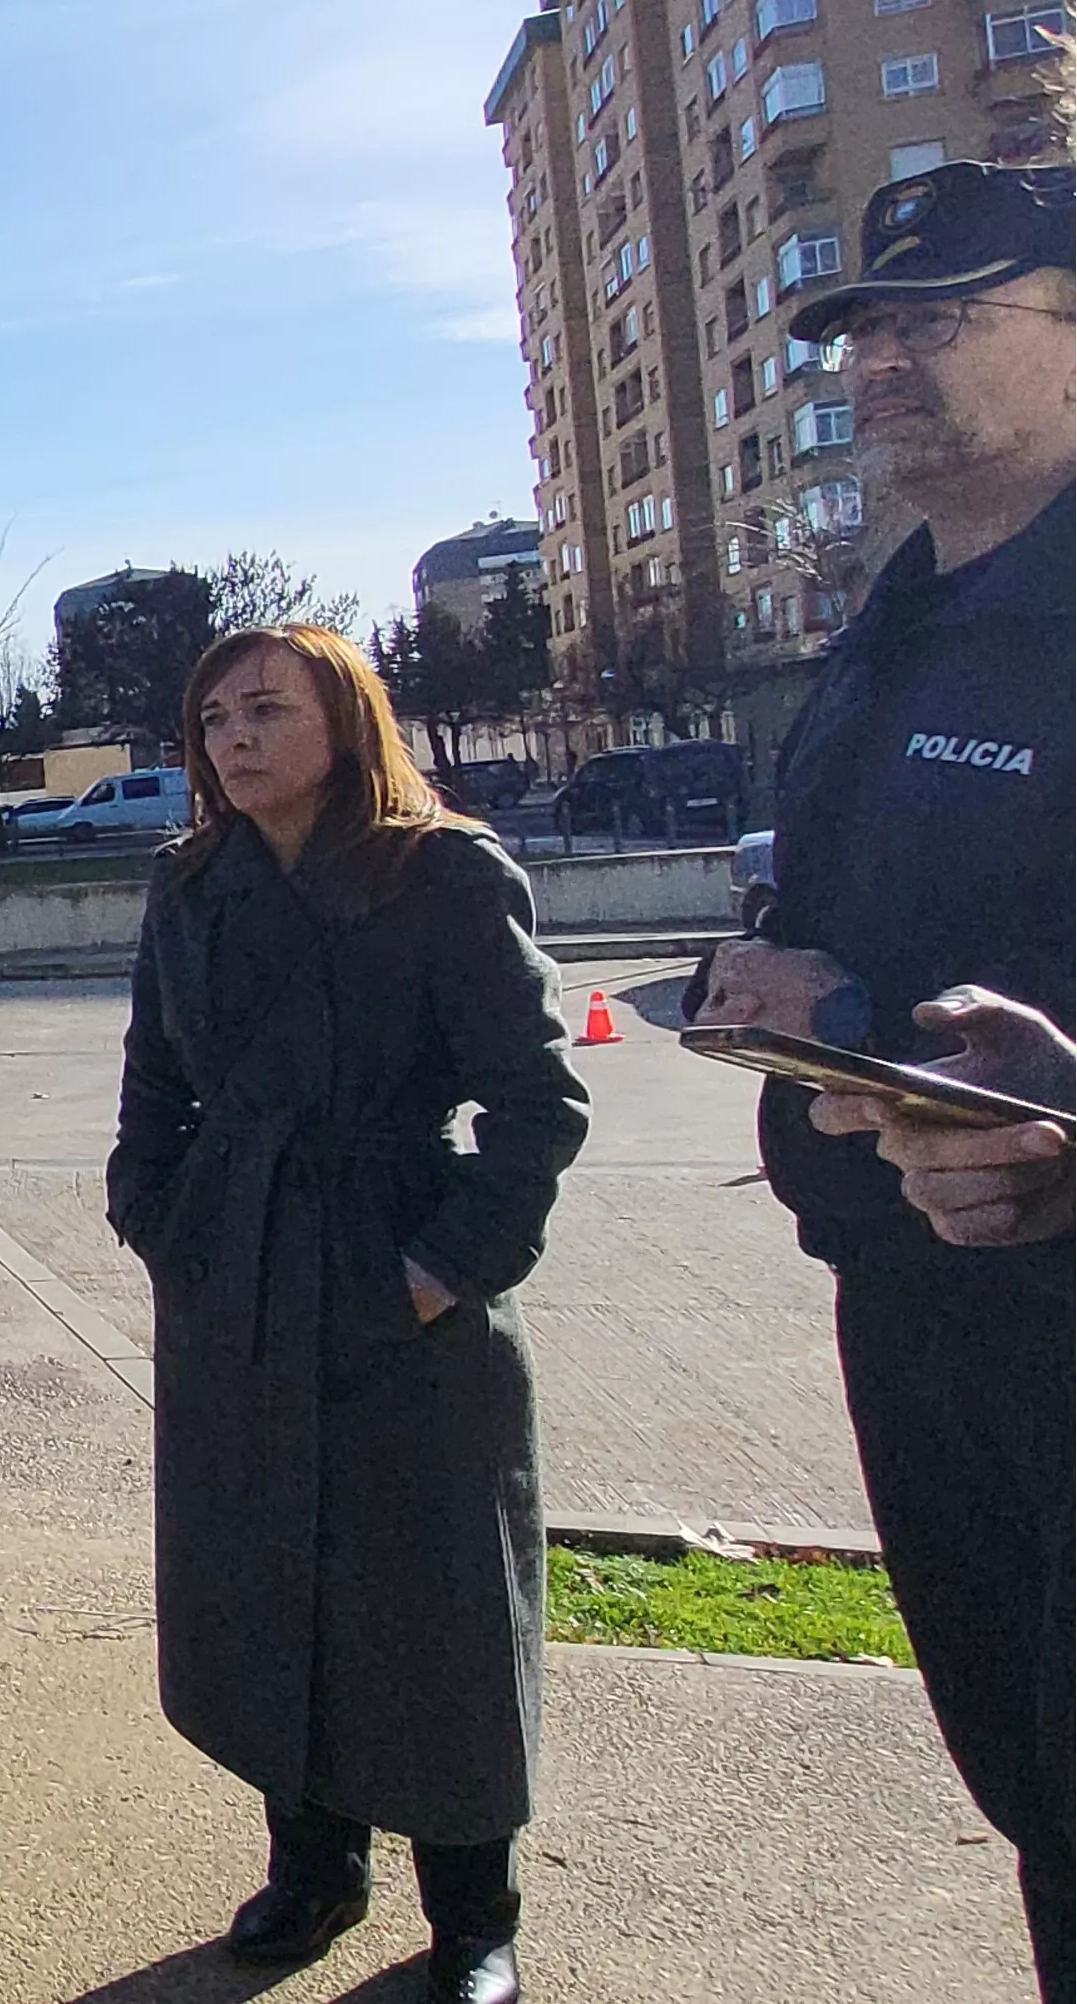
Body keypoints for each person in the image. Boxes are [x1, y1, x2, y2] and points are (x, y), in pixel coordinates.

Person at [690, 156, 1074, 2001]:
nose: (876, 365)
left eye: (939, 321)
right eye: (865, 329)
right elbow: (858, 917)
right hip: (908, 1290)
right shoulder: (895, 611)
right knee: (1029, 1777)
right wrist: (781, 989)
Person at [108, 626, 588, 2004]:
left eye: (267, 708)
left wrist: (440, 1273)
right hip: (235, 1278)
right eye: (211, 718)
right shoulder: (189, 884)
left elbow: (535, 1103)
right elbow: (152, 1084)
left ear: (344, 718)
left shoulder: (440, 873)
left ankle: (472, 1915)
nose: (234, 738)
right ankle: (310, 1866)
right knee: (265, 1583)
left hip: (396, 1272)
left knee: (430, 1595)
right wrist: (159, 1221)